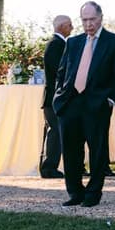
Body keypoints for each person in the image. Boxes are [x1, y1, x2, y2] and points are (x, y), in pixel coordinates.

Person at [53, 1, 115, 208]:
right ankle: (75, 192)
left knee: (97, 151)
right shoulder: (73, 42)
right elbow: (62, 72)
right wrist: (59, 97)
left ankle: (93, 193)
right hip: (70, 104)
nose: (88, 24)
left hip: (97, 104)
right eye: (84, 20)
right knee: (70, 151)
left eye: (92, 19)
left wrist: (111, 100)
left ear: (101, 17)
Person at [37, 14, 71, 179]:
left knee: (58, 131)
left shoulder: (59, 44)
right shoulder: (56, 45)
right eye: (70, 25)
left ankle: (54, 165)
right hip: (54, 97)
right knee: (55, 132)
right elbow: (59, 71)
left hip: (56, 96)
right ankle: (49, 167)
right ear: (62, 26)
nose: (72, 28)